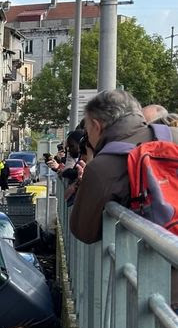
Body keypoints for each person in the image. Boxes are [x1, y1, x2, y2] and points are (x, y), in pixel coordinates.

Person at [70, 90, 178, 243]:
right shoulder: (174, 135)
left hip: (153, 262)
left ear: (96, 126)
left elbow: (83, 232)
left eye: (87, 131)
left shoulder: (102, 167)